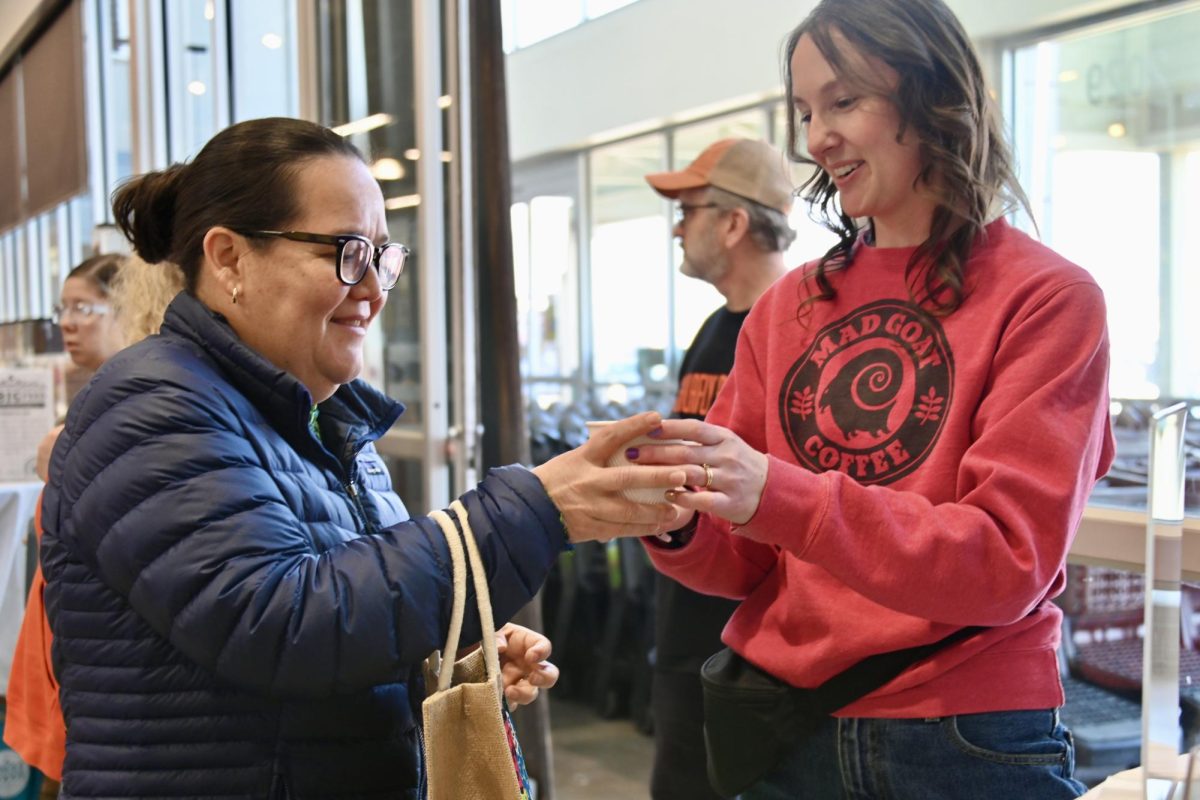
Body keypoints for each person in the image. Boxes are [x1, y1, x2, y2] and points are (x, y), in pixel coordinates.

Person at [39, 116, 687, 798]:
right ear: (229, 257)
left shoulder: (317, 416)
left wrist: (447, 658)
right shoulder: (153, 403)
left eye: (384, 256)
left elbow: (344, 617)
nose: (375, 289)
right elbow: (279, 624)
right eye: (347, 252)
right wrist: (531, 510)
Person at [634, 1, 1115, 797]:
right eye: (805, 111)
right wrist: (676, 512)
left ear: (930, 96)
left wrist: (779, 493)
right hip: (790, 731)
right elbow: (749, 561)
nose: (815, 138)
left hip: (969, 739)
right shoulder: (787, 308)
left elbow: (1006, 561)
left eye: (844, 101)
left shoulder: (1048, 299)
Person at [642, 138, 795, 800]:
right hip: (686, 618)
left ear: (734, 223)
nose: (678, 226)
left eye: (690, 209)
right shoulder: (713, 330)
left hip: (747, 643)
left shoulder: (796, 333)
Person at [6, 253, 186, 798]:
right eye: (63, 308)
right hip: (84, 686)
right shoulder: (109, 416)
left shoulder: (120, 419)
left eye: (84, 307)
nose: (68, 322)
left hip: (97, 698)